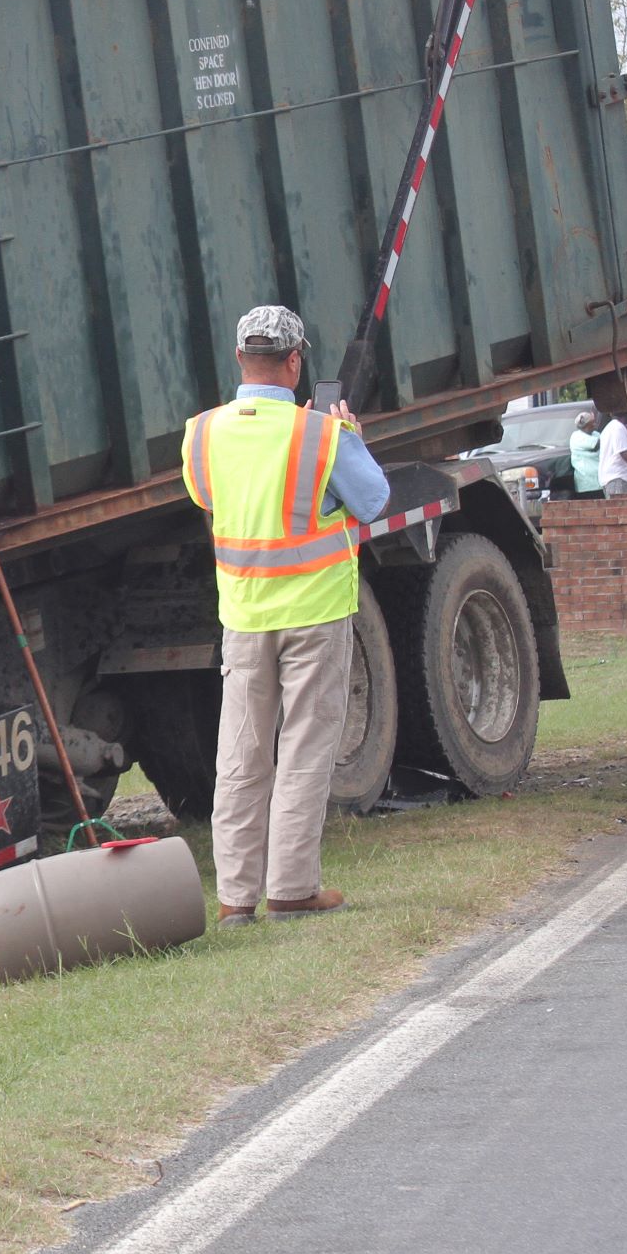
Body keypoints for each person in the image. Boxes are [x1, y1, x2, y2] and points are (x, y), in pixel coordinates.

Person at [181, 305, 389, 925]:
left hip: (244, 615)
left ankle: (235, 900)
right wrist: (349, 436)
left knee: (240, 757)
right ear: (295, 362)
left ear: (239, 357)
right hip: (315, 612)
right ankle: (292, 890)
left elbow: (208, 498)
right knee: (303, 749)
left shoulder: (203, 433)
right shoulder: (321, 434)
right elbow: (374, 500)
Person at [597, 409, 627, 497]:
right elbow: (623, 451)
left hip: (611, 477)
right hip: (617, 477)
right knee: (620, 508)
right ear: (625, 416)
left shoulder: (608, 428)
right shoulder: (618, 427)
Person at [568, 411, 604, 497]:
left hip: (601, 481)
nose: (595, 424)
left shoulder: (596, 434)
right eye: (592, 422)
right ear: (587, 425)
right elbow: (596, 445)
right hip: (587, 484)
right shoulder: (577, 436)